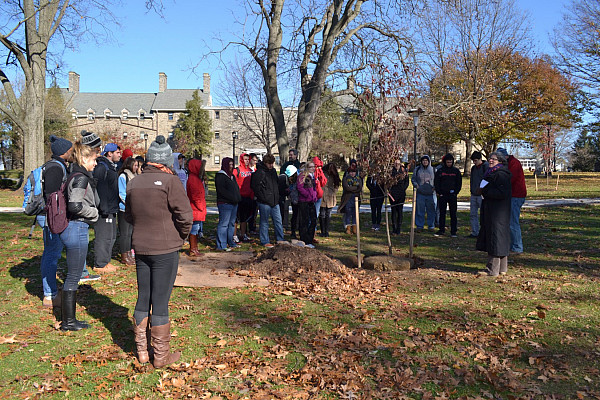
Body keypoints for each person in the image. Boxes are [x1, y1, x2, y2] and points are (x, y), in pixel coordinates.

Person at [125, 135, 193, 368]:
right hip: (165, 248)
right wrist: (181, 236)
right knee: (161, 301)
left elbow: (128, 216)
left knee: (143, 297)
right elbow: (185, 216)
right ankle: (161, 356)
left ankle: (142, 352)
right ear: (165, 161)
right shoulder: (171, 181)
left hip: (141, 246)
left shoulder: (133, 182)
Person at [60, 141, 100, 331]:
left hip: (75, 228)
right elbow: (75, 205)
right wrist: (93, 213)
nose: (95, 164)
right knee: (74, 276)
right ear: (84, 159)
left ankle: (69, 320)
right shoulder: (81, 178)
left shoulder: (74, 174)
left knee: (73, 275)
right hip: (76, 229)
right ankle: (68, 322)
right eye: (93, 160)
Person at [38, 136, 74, 308]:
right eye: (70, 149)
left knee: (52, 253)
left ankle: (51, 291)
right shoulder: (55, 168)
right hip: (51, 217)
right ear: (64, 151)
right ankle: (50, 295)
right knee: (52, 254)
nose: (72, 151)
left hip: (52, 216)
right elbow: (52, 197)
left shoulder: (57, 166)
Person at [476, 152, 512, 276]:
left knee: (495, 238)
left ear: (500, 161)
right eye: (490, 158)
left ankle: (492, 269)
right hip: (495, 210)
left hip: (497, 211)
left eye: (494, 159)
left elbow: (501, 193)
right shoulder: (493, 173)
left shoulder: (500, 175)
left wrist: (485, 191)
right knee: (499, 237)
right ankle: (502, 268)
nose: (490, 161)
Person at [93, 143, 121, 273]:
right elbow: (99, 188)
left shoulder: (110, 166)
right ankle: (100, 264)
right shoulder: (101, 167)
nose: (119, 155)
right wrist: (103, 207)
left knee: (111, 236)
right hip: (104, 209)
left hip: (111, 207)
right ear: (109, 153)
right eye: (117, 152)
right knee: (103, 236)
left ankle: (106, 261)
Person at [496, 147, 527, 254]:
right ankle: (511, 245)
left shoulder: (514, 164)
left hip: (516, 195)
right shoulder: (508, 163)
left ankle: (517, 246)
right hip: (510, 195)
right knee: (509, 221)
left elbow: (509, 179)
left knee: (513, 222)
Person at [251, 154, 285, 248]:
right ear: (265, 163)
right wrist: (262, 197)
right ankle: (265, 240)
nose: (271, 165)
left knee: (278, 221)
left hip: (274, 200)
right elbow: (255, 187)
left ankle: (280, 239)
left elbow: (276, 184)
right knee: (264, 222)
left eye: (272, 163)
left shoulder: (273, 171)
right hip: (264, 202)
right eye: (269, 163)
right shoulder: (260, 172)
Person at [215, 157, 241, 251]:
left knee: (231, 224)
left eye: (232, 165)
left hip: (234, 203)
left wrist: (237, 198)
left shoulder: (232, 176)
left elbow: (236, 189)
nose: (231, 167)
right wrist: (232, 198)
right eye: (229, 165)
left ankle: (230, 242)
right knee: (223, 224)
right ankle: (221, 245)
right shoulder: (220, 176)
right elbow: (221, 191)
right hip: (225, 204)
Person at [434, 153, 462, 237]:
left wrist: (455, 192)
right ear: (445, 162)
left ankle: (453, 231)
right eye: (448, 162)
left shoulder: (456, 171)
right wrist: (439, 192)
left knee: (453, 213)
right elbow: (436, 182)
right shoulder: (441, 171)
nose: (449, 163)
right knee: (442, 213)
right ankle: (441, 229)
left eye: (450, 162)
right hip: (443, 195)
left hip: (452, 195)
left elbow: (459, 183)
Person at [117, 157, 138, 267]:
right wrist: (129, 203)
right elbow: (122, 193)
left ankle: (129, 253)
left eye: (137, 165)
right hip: (124, 209)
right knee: (125, 233)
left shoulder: (135, 176)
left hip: (133, 209)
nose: (136, 167)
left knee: (130, 233)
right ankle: (124, 255)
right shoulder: (123, 176)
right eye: (134, 165)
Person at [187, 158, 207, 257]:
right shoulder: (193, 179)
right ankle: (193, 249)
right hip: (196, 208)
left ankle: (194, 248)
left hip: (197, 207)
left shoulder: (194, 178)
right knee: (194, 229)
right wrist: (200, 207)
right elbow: (195, 196)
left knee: (196, 228)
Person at [233, 153, 255, 242]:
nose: (246, 161)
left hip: (248, 197)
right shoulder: (237, 170)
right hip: (239, 197)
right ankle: (234, 235)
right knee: (236, 218)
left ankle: (243, 234)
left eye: (248, 159)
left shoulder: (251, 171)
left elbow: (253, 184)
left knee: (244, 218)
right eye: (245, 159)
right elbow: (233, 182)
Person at [411, 155, 436, 231]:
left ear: (429, 161)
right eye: (423, 160)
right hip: (420, 194)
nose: (425, 162)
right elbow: (413, 179)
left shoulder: (433, 170)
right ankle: (419, 226)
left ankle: (431, 225)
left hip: (431, 194)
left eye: (426, 160)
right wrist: (416, 185)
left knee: (431, 210)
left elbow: (437, 180)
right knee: (419, 210)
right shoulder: (417, 169)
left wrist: (434, 188)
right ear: (421, 162)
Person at [297, 161, 318, 248]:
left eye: (314, 167)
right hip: (304, 201)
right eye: (311, 167)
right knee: (304, 221)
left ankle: (309, 239)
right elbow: (300, 187)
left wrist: (314, 196)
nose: (313, 168)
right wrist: (307, 195)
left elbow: (313, 188)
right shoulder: (302, 176)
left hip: (311, 201)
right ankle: (304, 240)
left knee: (313, 220)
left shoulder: (312, 177)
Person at [468, 151, 489, 238]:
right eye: (473, 161)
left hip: (482, 195)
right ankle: (475, 232)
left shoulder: (485, 167)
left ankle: (484, 232)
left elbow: (487, 180)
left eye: (476, 160)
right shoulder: (473, 168)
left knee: (484, 215)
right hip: (474, 194)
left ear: (480, 159)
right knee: (473, 214)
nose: (474, 162)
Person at [338, 165, 363, 234]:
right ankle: (348, 228)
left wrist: (352, 188)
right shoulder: (345, 179)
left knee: (355, 213)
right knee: (348, 213)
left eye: (354, 172)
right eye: (351, 172)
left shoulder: (358, 179)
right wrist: (355, 188)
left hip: (356, 198)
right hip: (348, 198)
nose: (352, 173)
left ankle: (355, 228)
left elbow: (360, 188)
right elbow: (347, 188)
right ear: (349, 172)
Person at [319, 163, 340, 237]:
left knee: (328, 214)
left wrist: (334, 191)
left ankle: (326, 231)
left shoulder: (334, 175)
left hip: (330, 196)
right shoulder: (322, 173)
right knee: (322, 214)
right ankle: (322, 230)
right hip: (322, 195)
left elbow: (337, 184)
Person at [389, 160, 410, 235]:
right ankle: (394, 228)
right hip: (393, 194)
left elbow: (407, 182)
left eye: (398, 163)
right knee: (393, 211)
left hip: (401, 193)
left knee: (400, 211)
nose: (396, 165)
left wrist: (403, 188)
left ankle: (399, 228)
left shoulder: (404, 171)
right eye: (395, 163)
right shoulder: (390, 172)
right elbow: (388, 182)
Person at [278, 165, 298, 236]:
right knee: (280, 214)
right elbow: (281, 190)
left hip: (282, 198)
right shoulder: (283, 178)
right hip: (279, 199)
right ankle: (279, 231)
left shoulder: (284, 177)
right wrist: (288, 192)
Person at [312, 156, 328, 221]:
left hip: (318, 194)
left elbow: (323, 182)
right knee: (314, 213)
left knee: (315, 212)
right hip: (313, 194)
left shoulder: (319, 171)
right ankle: (312, 228)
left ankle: (313, 228)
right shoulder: (313, 172)